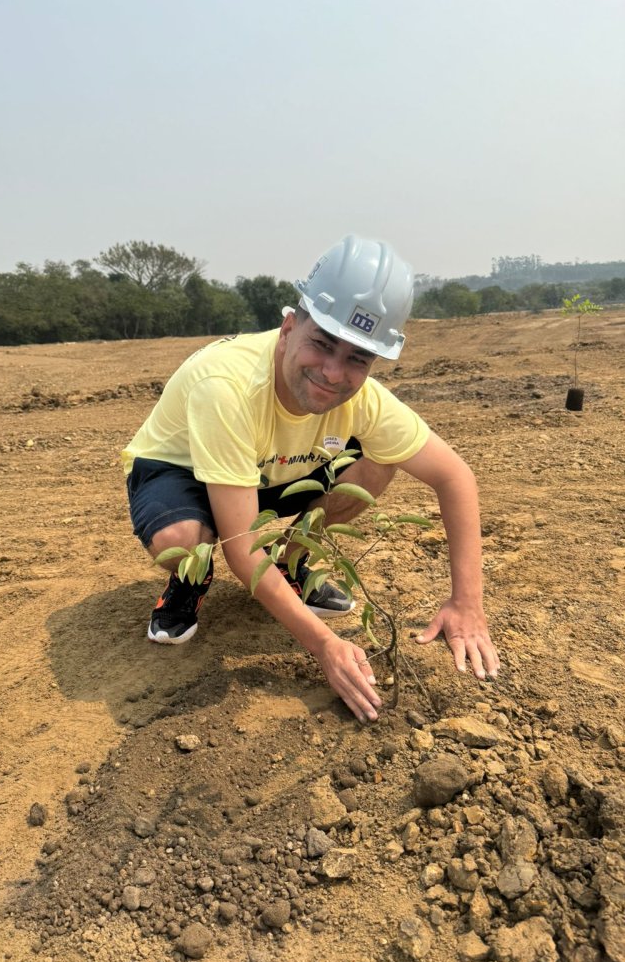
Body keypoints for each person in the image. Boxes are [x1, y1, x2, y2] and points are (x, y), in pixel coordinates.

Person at [123, 235, 500, 723]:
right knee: (184, 539)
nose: (333, 373)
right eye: (322, 344)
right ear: (288, 327)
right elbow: (241, 544)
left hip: (267, 468)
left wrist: (466, 605)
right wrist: (325, 646)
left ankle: (294, 561)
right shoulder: (227, 388)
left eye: (358, 359)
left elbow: (455, 478)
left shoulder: (365, 399)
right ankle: (188, 580)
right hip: (182, 469)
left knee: (381, 457)